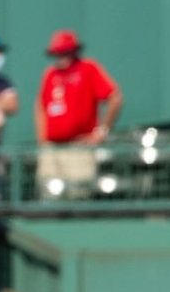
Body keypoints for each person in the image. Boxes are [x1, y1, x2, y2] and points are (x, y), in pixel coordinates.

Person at [35, 30, 123, 197]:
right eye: (57, 53)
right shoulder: (50, 74)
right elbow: (41, 106)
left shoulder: (88, 69)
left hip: (79, 148)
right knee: (48, 194)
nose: (61, 56)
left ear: (74, 51)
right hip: (52, 149)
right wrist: (42, 140)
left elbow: (115, 97)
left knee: (77, 194)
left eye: (65, 52)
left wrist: (101, 132)